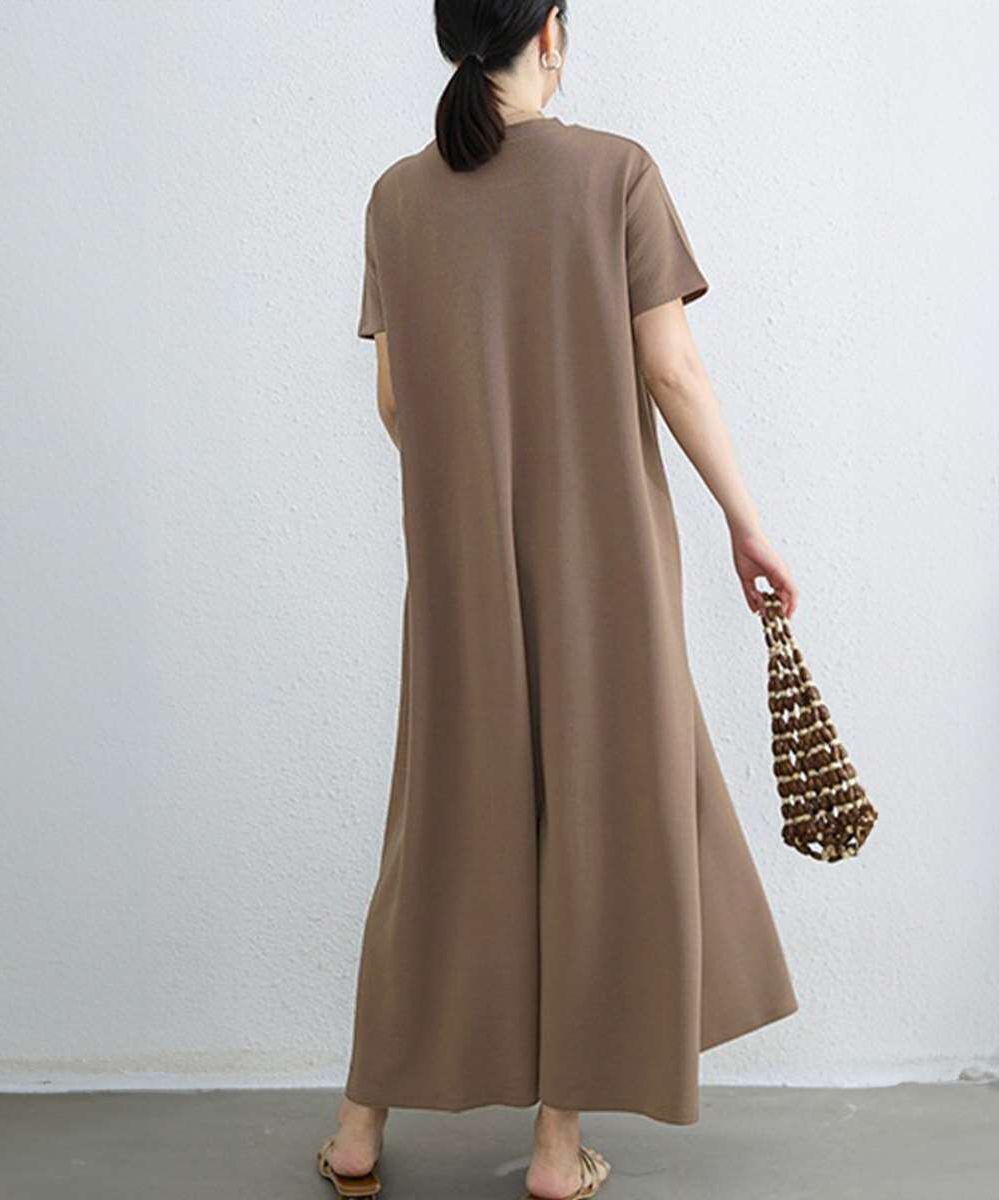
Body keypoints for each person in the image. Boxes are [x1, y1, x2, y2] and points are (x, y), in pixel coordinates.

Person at [320, 3, 800, 1198]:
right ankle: (553, 1147)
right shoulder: (614, 174)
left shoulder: (395, 197)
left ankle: (357, 1133)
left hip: (457, 567)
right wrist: (746, 520)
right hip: (605, 559)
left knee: (440, 827)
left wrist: (474, 493)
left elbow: (397, 403)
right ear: (548, 33)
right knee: (600, 816)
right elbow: (671, 368)